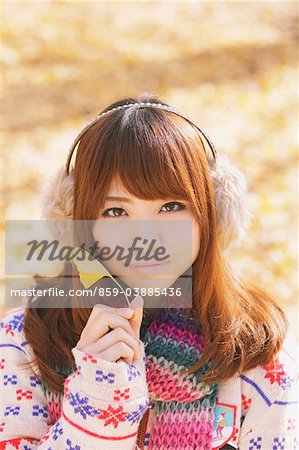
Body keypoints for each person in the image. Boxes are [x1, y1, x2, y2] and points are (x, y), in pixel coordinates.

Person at [0, 93, 298, 450]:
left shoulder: (256, 357)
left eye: (171, 206)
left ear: (211, 214)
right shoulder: (22, 345)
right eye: (116, 211)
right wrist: (95, 407)